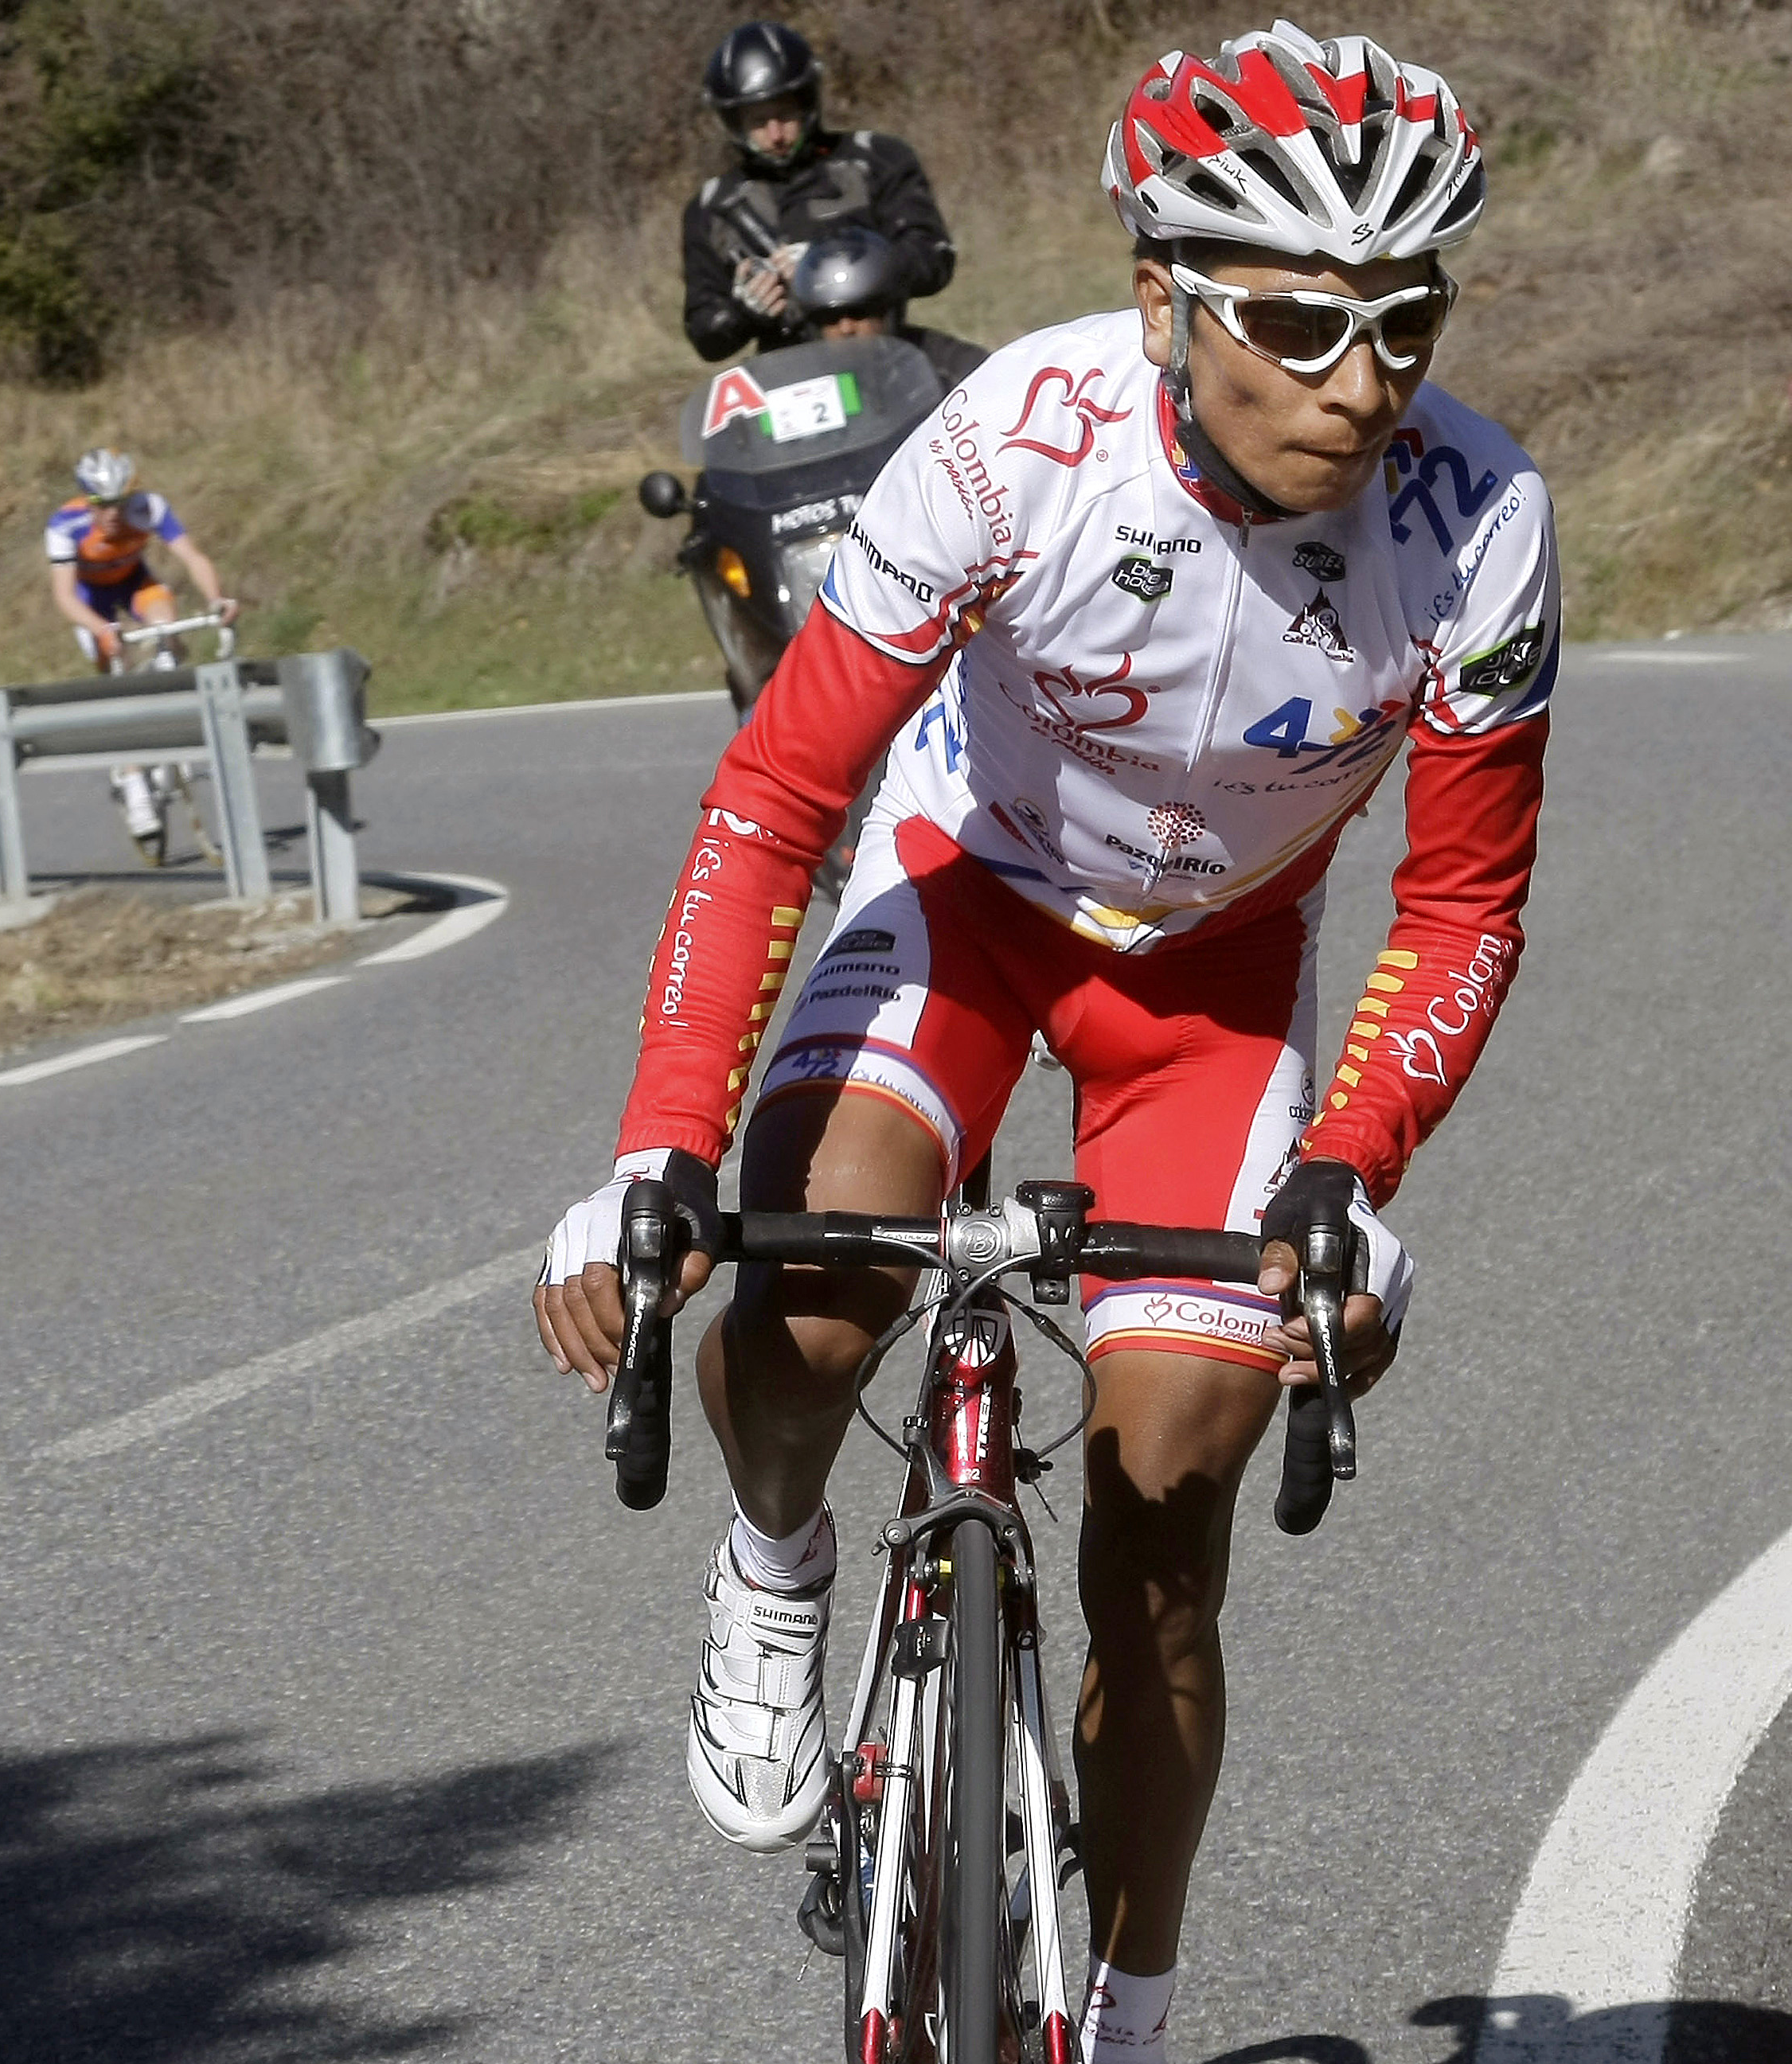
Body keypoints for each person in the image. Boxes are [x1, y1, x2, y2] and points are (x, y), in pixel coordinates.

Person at [541, 23, 1541, 2061]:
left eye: (1405, 316)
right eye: (1295, 319)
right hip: (960, 902)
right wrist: (657, 1145)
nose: (1364, 379)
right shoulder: (1013, 441)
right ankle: (775, 1550)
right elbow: (770, 801)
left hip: (1209, 994)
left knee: (1168, 1503)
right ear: (1167, 297)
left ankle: (1141, 2007)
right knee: (810, 1294)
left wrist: (1348, 1172)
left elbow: (1457, 906)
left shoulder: (1478, 515)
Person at [682, 21, 957, 366]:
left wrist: (831, 264)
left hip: (887, 359)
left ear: (807, 102)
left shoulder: (876, 159)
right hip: (785, 380)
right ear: (733, 123)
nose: (776, 134)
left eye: (785, 114)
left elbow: (934, 260)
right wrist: (745, 311)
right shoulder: (712, 208)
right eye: (758, 121)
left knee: (986, 382)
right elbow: (706, 337)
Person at [47, 447, 239, 864]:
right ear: (87, 500)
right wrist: (101, 629)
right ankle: (132, 781)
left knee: (166, 625)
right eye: (102, 506)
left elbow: (192, 556)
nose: (112, 515)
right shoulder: (66, 524)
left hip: (135, 584)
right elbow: (63, 595)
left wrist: (217, 598)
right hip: (90, 601)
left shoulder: (149, 508)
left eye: (119, 504)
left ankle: (167, 700)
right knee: (118, 680)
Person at [788, 225, 991, 390]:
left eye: (860, 313)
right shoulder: (796, 389)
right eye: (829, 318)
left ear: (890, 310)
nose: (846, 329)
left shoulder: (953, 369)